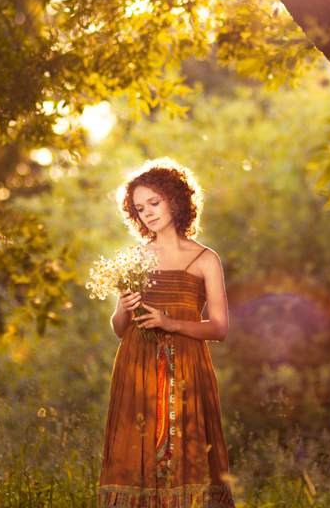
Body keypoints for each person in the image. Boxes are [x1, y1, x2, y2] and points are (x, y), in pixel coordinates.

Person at [98, 158, 236, 508]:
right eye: (140, 208)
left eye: (154, 203)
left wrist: (170, 323)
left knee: (187, 454)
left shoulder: (206, 259)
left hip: (188, 369)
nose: (148, 213)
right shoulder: (133, 257)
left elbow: (220, 327)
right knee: (136, 456)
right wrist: (126, 309)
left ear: (176, 199)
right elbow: (118, 328)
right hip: (137, 370)